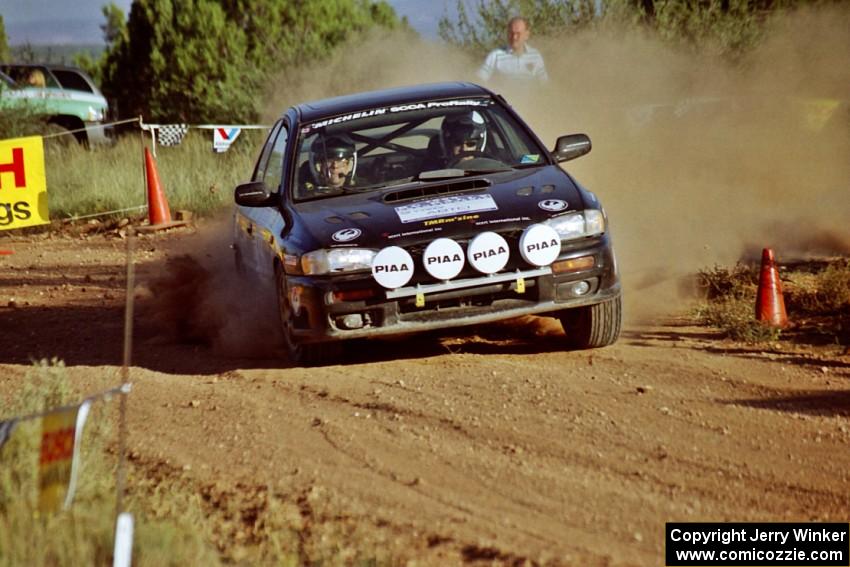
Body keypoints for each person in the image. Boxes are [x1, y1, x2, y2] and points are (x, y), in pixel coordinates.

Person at [477, 16, 548, 84]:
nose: (514, 37)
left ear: (526, 35)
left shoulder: (535, 56)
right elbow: (480, 80)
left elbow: (545, 84)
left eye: (518, 33)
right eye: (511, 33)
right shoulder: (496, 55)